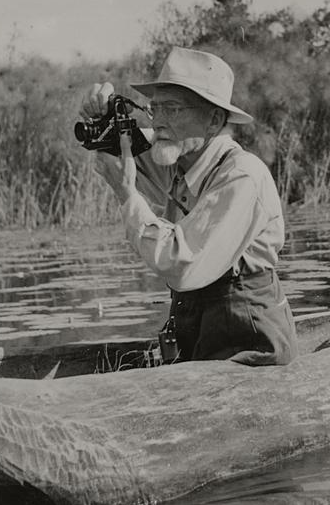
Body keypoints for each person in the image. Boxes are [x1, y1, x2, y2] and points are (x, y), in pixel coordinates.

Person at [80, 46, 297, 366]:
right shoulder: (178, 157)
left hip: (251, 340)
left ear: (213, 119)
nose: (159, 122)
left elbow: (182, 267)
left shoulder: (241, 176)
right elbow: (114, 151)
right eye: (155, 109)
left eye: (173, 109)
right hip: (199, 329)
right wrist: (101, 113)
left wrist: (127, 195)